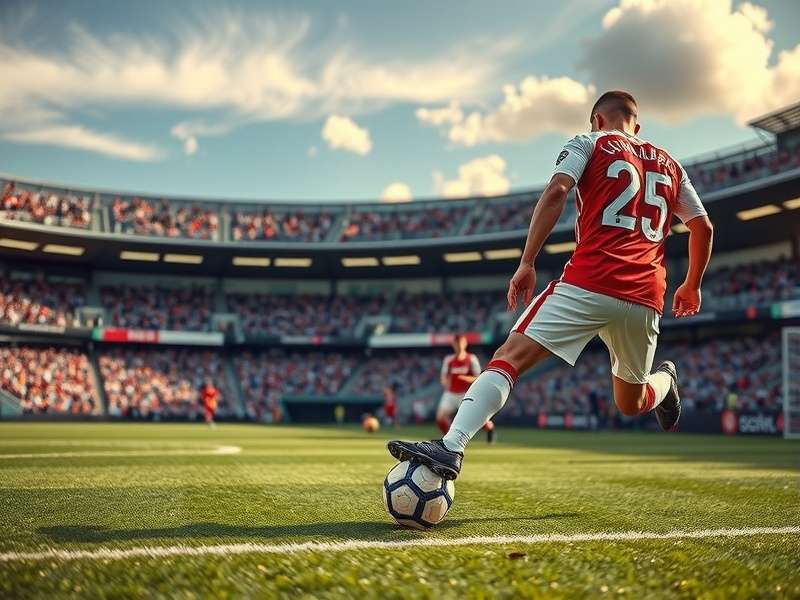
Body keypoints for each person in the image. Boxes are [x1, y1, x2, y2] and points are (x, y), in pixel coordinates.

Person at [389, 90, 714, 480]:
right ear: (637, 126)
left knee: (509, 357)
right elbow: (703, 226)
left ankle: (451, 447)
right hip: (645, 296)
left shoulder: (590, 141)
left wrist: (527, 262)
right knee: (632, 402)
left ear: (597, 120)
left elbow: (558, 190)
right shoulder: (671, 165)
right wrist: (692, 284)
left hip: (590, 281)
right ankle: (666, 383)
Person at [437, 334, 495, 443]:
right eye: (456, 344)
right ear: (453, 345)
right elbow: (443, 376)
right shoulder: (449, 360)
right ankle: (448, 440)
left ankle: (490, 428)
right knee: (440, 418)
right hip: (451, 393)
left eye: (460, 343)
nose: (458, 346)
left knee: (477, 419)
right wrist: (445, 382)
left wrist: (465, 378)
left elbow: (478, 377)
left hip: (466, 394)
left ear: (464, 344)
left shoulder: (471, 359)